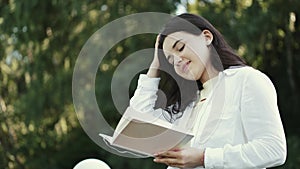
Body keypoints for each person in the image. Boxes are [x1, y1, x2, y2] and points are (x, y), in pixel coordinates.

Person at [129, 13, 286, 169]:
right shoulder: (186, 107)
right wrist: (156, 64)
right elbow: (137, 120)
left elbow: (273, 148)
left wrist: (204, 158)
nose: (177, 60)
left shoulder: (245, 80)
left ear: (206, 37)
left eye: (180, 47)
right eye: (170, 60)